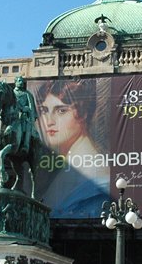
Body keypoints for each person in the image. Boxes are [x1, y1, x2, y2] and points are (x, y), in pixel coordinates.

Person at [35, 79, 109, 217]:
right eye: (44, 110)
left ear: (83, 113)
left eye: (61, 110)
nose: (49, 121)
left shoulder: (97, 180)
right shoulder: (67, 166)